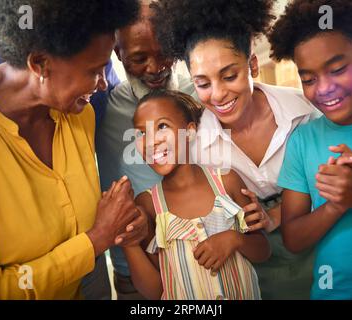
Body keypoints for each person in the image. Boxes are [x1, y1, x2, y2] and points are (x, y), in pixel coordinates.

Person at [151, 0, 317, 299]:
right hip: (252, 265)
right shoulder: (197, 147)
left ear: (252, 64)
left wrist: (277, 214)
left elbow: (335, 188)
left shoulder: (302, 112)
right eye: (202, 83)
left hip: (317, 243)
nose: (218, 94)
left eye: (229, 76)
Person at [0, 0, 147, 300]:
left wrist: (125, 224)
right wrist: (96, 240)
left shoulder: (79, 112)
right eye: (94, 71)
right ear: (39, 64)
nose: (104, 84)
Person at [123, 89, 270, 300]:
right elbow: (156, 291)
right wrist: (128, 243)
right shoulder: (147, 204)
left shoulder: (227, 182)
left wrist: (235, 239)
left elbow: (263, 251)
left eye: (162, 126)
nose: (150, 141)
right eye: (141, 133)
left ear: (190, 132)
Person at [95, 0, 195, 299]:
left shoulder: (201, 94)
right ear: (117, 54)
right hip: (135, 275)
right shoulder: (102, 107)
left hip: (206, 262)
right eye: (138, 58)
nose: (154, 68)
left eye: (163, 52)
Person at [268, 0, 352, 299]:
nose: (322, 88)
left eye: (337, 69)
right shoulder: (303, 140)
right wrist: (336, 205)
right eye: (308, 79)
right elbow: (294, 238)